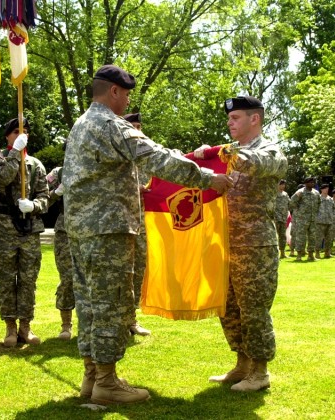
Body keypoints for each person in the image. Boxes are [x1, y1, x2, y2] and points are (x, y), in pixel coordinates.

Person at [63, 65, 231, 404]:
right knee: (111, 303)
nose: (127, 101)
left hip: (80, 230)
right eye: (125, 94)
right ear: (113, 92)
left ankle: (92, 376)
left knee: (89, 304)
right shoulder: (111, 125)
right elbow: (156, 158)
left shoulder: (81, 125)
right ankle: (107, 383)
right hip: (108, 229)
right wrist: (206, 178)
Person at [197, 96, 287, 392]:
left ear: (254, 119)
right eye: (229, 118)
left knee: (254, 308)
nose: (229, 122)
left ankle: (260, 371)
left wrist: (226, 154)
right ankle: (242, 364)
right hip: (224, 243)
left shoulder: (269, 150)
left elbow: (260, 164)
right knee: (229, 307)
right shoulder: (226, 153)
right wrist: (202, 159)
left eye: (235, 117)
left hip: (255, 246)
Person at [0, 117, 49, 347]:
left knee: (28, 280)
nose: (21, 135)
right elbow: (3, 177)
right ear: (7, 136)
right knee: (6, 281)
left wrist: (34, 206)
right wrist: (15, 154)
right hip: (4, 228)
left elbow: (45, 197)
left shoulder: (36, 164)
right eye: (15, 132)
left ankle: (25, 326)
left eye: (25, 132)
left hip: (29, 230)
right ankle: (10, 327)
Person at [123, 112, 151, 336]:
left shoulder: (146, 156)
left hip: (142, 223)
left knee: (138, 271)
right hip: (121, 223)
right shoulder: (119, 154)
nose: (137, 130)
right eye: (133, 126)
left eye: (139, 126)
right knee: (121, 272)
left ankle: (131, 319)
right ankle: (117, 321)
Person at [46, 162, 75, 340]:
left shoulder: (96, 168)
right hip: (65, 231)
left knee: (93, 280)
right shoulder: (59, 173)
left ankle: (90, 325)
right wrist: (56, 193)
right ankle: (66, 325)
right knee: (68, 278)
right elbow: (40, 200)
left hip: (93, 230)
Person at [289, 177, 320, 261]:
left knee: (312, 237)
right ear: (306, 183)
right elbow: (292, 202)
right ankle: (299, 255)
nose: (312, 184)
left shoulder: (316, 193)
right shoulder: (300, 192)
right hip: (302, 219)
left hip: (312, 219)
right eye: (310, 182)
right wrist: (299, 210)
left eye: (313, 182)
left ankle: (311, 255)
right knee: (301, 237)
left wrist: (315, 213)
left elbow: (318, 203)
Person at [314, 184, 335, 259]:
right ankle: (317, 252)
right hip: (320, 221)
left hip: (329, 221)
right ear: (321, 190)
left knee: (329, 238)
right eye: (325, 188)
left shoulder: (330, 199)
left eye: (327, 188)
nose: (326, 190)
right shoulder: (318, 198)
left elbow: (333, 208)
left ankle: (327, 252)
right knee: (319, 238)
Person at [274, 179, 290, 258]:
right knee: (275, 236)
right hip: (276, 217)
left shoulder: (285, 194)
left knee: (282, 236)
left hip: (284, 217)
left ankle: (283, 253)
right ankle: (275, 254)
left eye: (284, 184)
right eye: (281, 184)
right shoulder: (274, 193)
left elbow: (289, 203)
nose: (283, 186)